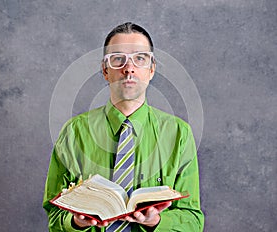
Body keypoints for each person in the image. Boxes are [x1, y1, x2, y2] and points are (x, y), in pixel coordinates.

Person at [43, 22, 204, 231]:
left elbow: (193, 221)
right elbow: (54, 217)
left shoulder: (179, 134)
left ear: (151, 69)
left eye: (140, 59)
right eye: (118, 59)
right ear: (105, 70)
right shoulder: (74, 133)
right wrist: (76, 222)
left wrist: (156, 222)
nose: (129, 68)